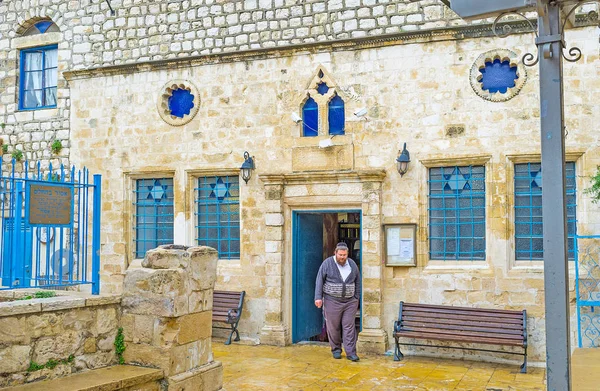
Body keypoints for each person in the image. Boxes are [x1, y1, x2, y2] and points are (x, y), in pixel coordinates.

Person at [314, 242, 362, 361]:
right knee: (333, 326)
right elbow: (319, 280)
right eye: (340, 255)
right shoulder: (327, 264)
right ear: (335, 253)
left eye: (344, 255)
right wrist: (318, 297)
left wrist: (356, 297)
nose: (342, 257)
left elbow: (358, 281)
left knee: (349, 326)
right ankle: (336, 349)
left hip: (350, 302)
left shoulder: (352, 264)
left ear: (347, 254)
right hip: (332, 300)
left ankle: (351, 352)